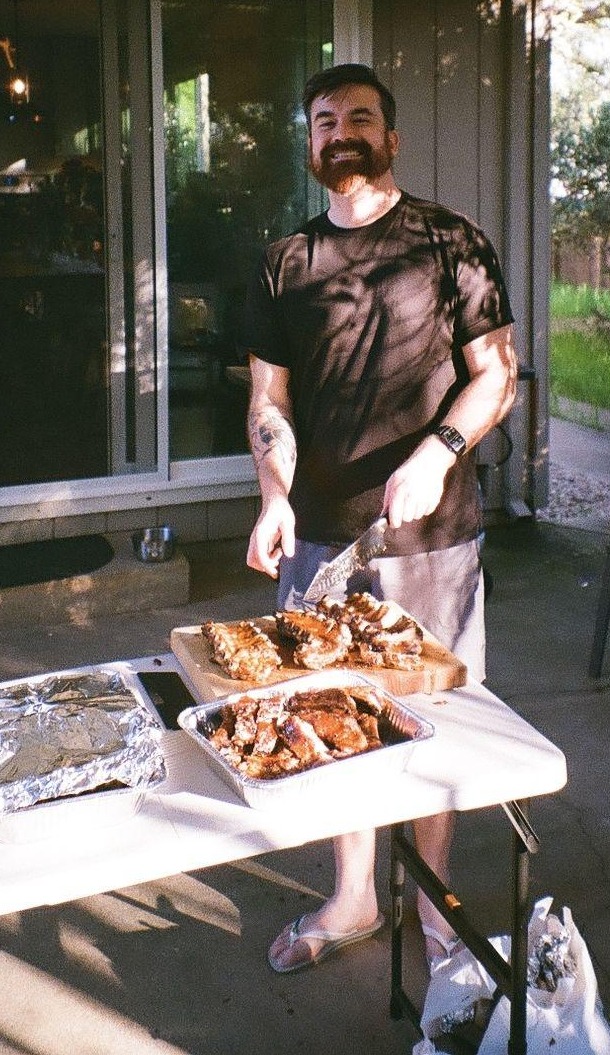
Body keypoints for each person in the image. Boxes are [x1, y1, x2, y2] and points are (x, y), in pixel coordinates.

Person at [239, 62, 519, 975]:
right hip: (320, 532)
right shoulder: (285, 262)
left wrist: (437, 451)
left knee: (432, 719)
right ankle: (356, 893)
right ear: (310, 141)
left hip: (432, 535)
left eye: (360, 117)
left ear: (391, 137)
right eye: (324, 120)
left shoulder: (450, 242)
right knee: (331, 718)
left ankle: (434, 908)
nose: (341, 132)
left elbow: (495, 373)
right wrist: (276, 495)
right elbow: (268, 401)